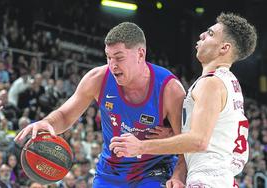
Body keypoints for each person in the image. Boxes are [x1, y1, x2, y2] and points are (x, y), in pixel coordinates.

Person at [15, 22, 186, 187]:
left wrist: (178, 176)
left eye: (119, 57)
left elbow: (187, 146)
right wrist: (48, 122)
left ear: (140, 54)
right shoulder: (97, 78)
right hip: (110, 172)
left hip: (154, 170)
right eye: (108, 57)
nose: (112, 65)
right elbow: (65, 115)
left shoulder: (169, 89)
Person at [109, 12, 257, 188]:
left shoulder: (211, 84)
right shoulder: (229, 82)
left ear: (224, 48)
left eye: (210, 34)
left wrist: (140, 147)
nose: (202, 35)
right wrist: (174, 135)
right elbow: (215, 135)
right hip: (219, 178)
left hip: (208, 179)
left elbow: (198, 141)